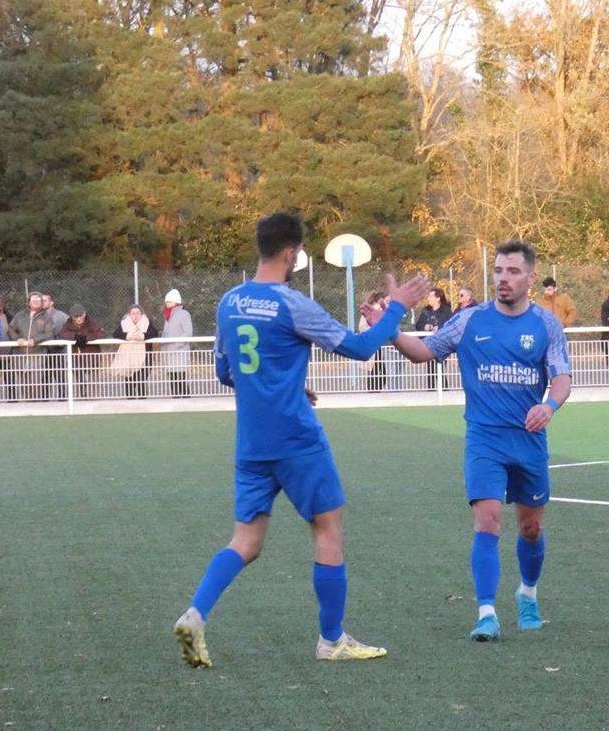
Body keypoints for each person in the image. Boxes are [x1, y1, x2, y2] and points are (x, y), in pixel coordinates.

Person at [172, 212, 430, 667]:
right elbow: (358, 348)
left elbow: (224, 371)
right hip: (296, 439)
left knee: (246, 542)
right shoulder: (291, 303)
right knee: (328, 528)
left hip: (252, 443)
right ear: (291, 253)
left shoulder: (229, 302)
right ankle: (332, 640)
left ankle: (195, 614)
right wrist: (396, 307)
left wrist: (282, 384)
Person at [382, 239, 571, 642]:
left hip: (529, 441)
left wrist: (550, 406)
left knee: (531, 527)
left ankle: (528, 594)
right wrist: (390, 331)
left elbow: (562, 377)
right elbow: (424, 352)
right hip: (484, 439)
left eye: (513, 271)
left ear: (531, 277)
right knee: (487, 521)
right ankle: (486, 612)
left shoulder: (547, 325)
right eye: (499, 271)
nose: (503, 278)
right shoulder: (470, 320)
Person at [7, 292, 57, 401]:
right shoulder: (19, 315)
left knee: (36, 381)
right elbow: (10, 329)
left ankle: (35, 404)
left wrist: (35, 340)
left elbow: (49, 334)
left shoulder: (46, 317)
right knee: (24, 382)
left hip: (37, 355)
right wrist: (17, 339)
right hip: (20, 355)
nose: (36, 302)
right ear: (28, 302)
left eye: (38, 300)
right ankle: (28, 404)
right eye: (33, 300)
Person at [111, 304, 158, 398]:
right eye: (133, 313)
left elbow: (155, 333)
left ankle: (142, 402)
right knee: (129, 381)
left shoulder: (147, 323)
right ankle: (130, 403)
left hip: (144, 359)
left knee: (141, 380)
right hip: (128, 359)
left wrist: (142, 336)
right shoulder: (124, 323)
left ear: (141, 314)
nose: (135, 315)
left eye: (138, 313)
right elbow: (116, 334)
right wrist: (128, 336)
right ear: (129, 314)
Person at [59, 304, 105, 399]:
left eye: (80, 315)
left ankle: (94, 401)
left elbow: (100, 333)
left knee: (93, 383)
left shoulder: (92, 322)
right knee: (78, 382)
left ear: (84, 314)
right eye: (76, 316)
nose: (79, 318)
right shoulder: (68, 323)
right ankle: (80, 401)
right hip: (76, 358)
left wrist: (86, 338)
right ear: (72, 317)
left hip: (92, 357)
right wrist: (75, 337)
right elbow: (62, 334)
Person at [160, 289, 193, 397]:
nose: (167, 303)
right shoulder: (167, 316)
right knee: (172, 377)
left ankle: (186, 400)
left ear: (176, 302)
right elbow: (165, 333)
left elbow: (187, 333)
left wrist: (176, 344)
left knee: (180, 377)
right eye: (167, 302)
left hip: (179, 351)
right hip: (168, 352)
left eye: (170, 301)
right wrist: (163, 346)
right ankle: (176, 399)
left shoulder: (184, 314)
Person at [357, 291, 388, 392]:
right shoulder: (376, 308)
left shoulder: (374, 308)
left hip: (373, 341)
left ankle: (374, 389)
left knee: (377, 368)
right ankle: (373, 390)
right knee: (376, 368)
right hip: (371, 341)